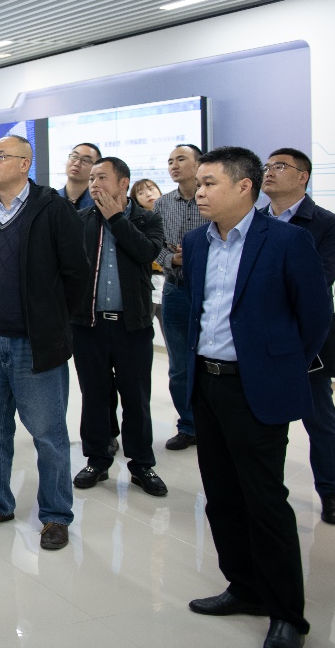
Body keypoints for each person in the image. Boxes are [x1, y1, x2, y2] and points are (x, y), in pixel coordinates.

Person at [184, 146, 330, 648]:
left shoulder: (287, 241)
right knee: (221, 497)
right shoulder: (197, 241)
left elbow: (314, 318)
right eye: (198, 184)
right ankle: (244, 588)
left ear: (244, 186)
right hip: (207, 384)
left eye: (209, 183)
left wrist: (276, 366)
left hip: (255, 387)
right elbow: (200, 310)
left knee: (265, 501)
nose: (199, 193)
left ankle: (287, 614)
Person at [0, 135, 89, 550]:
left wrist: (52, 321)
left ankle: (55, 515)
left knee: (48, 433)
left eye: (1, 156)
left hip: (34, 342)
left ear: (24, 164)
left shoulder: (53, 208)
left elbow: (76, 274)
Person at [259, 147, 335, 525]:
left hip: (306, 339)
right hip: (260, 337)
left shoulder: (326, 224)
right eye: (267, 166)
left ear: (302, 176)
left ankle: (331, 491)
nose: (269, 171)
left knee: (319, 417)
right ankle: (264, 491)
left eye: (279, 166)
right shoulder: (252, 221)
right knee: (262, 419)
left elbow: (317, 283)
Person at [69, 157, 168, 497]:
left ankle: (141, 464)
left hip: (132, 326)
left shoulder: (147, 219)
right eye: (92, 178)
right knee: (94, 396)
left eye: (102, 177)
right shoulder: (81, 219)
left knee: (136, 399)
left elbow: (145, 252)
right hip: (89, 325)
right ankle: (97, 460)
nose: (94, 183)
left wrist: (116, 219)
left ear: (124, 183)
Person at [153, 143, 206, 450]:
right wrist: (170, 259)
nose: (173, 165)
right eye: (170, 160)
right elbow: (154, 243)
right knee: (179, 364)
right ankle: (188, 425)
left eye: (181, 159)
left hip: (208, 290)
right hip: (174, 288)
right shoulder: (162, 203)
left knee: (211, 359)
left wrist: (197, 256)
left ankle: (213, 424)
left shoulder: (212, 197)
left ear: (199, 164)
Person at [59, 142, 102, 209]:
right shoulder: (51, 199)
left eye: (86, 160)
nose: (77, 164)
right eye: (74, 157)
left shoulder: (100, 203)